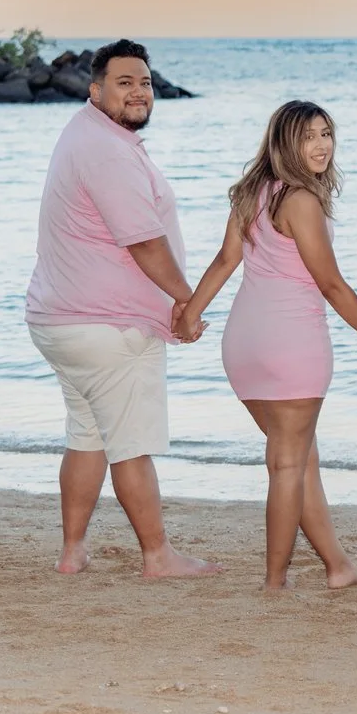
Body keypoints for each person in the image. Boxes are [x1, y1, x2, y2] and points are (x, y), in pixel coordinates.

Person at [24, 39, 218, 579]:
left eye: (145, 83)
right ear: (96, 90)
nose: (138, 92)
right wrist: (187, 301)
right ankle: (158, 555)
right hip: (106, 326)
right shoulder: (108, 150)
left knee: (87, 433)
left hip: (61, 321)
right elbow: (145, 243)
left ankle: (72, 553)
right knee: (131, 442)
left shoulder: (87, 134)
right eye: (124, 83)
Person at [177, 101, 357, 591]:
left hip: (244, 346)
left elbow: (226, 261)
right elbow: (330, 284)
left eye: (327, 133)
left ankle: (337, 566)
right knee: (288, 463)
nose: (322, 145)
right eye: (309, 136)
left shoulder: (252, 192)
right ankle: (274, 581)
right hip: (291, 347)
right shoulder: (301, 200)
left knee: (299, 457)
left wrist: (190, 313)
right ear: (285, 142)